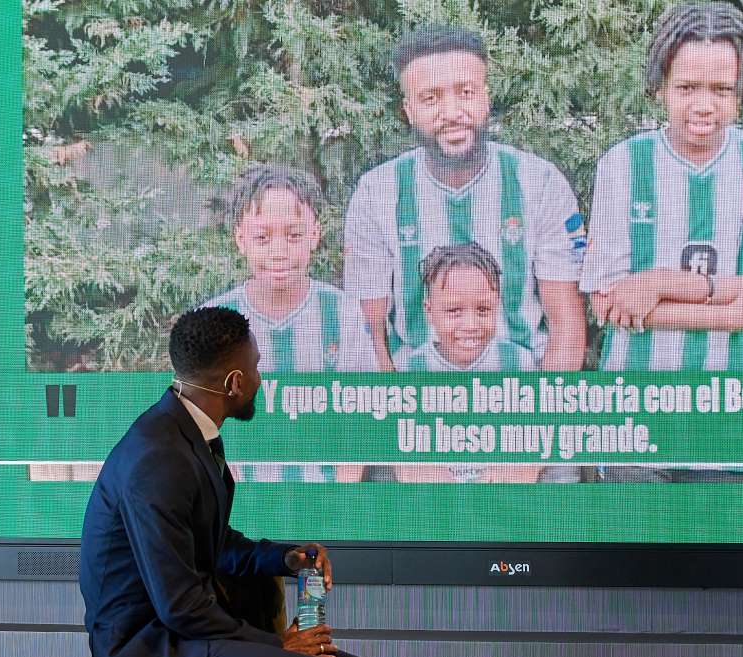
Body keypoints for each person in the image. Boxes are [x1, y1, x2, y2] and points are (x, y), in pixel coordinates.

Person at [80, 307, 436, 657]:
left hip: (193, 640)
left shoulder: (187, 435)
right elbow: (178, 605)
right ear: (232, 381)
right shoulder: (157, 457)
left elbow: (213, 542)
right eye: (257, 367)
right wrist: (278, 646)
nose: (261, 378)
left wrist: (284, 558)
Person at [580, 1, 743, 483]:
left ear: (741, 93)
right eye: (687, 87)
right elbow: (607, 303)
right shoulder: (622, 165)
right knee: (632, 559)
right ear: (661, 85)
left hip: (726, 421)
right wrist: (735, 313)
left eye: (721, 89)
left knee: (717, 559)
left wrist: (657, 282)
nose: (703, 105)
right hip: (633, 419)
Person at [344, 25, 588, 376]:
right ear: (409, 111)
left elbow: (565, 321)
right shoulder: (376, 193)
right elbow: (369, 332)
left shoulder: (540, 183)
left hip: (519, 396)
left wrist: (542, 415)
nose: (452, 111)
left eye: (465, 92)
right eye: (431, 98)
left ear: (486, 97)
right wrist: (391, 416)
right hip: (416, 401)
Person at [205, 164, 375, 482]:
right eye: (262, 237)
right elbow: (205, 430)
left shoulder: (344, 315)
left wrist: (333, 514)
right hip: (242, 510)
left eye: (294, 235)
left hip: (324, 508)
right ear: (241, 240)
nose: (279, 251)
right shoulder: (213, 322)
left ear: (314, 236)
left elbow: (359, 426)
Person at [393, 243, 540, 483]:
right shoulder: (411, 370)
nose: (470, 324)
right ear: (429, 311)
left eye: (483, 310)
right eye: (454, 311)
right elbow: (406, 467)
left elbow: (532, 456)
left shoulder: (518, 364)